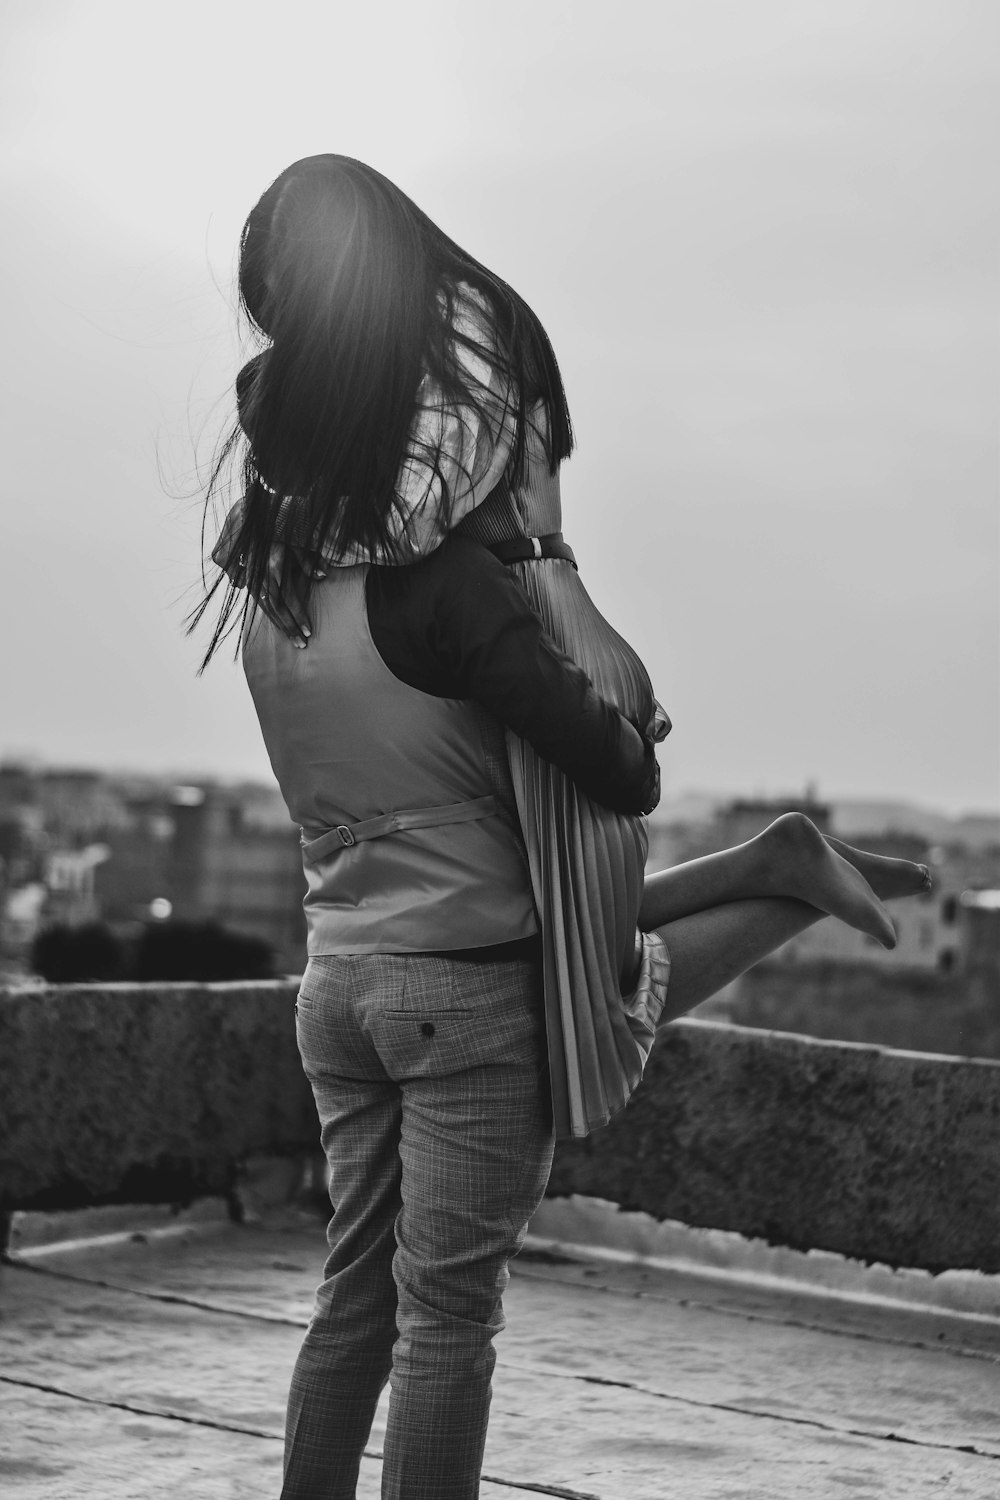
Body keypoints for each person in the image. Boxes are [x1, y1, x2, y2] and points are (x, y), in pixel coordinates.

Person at [196, 154, 930, 1500]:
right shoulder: (452, 592)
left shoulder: (276, 595)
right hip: (466, 1000)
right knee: (449, 1329)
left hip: (342, 986)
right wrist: (599, 675)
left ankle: (782, 869)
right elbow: (623, 782)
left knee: (351, 1307)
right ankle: (785, 872)